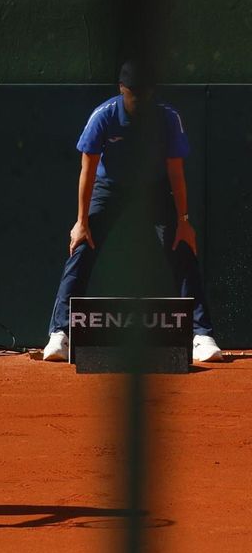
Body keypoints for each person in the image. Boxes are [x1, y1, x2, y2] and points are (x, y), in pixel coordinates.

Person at [40, 60, 224, 364]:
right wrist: (81, 222)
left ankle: (201, 335)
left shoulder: (167, 118)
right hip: (109, 187)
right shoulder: (103, 116)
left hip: (154, 189)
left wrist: (183, 221)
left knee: (182, 246)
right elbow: (87, 170)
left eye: (144, 93)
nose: (138, 99)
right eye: (133, 93)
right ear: (122, 90)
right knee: (81, 247)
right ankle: (60, 333)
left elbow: (176, 173)